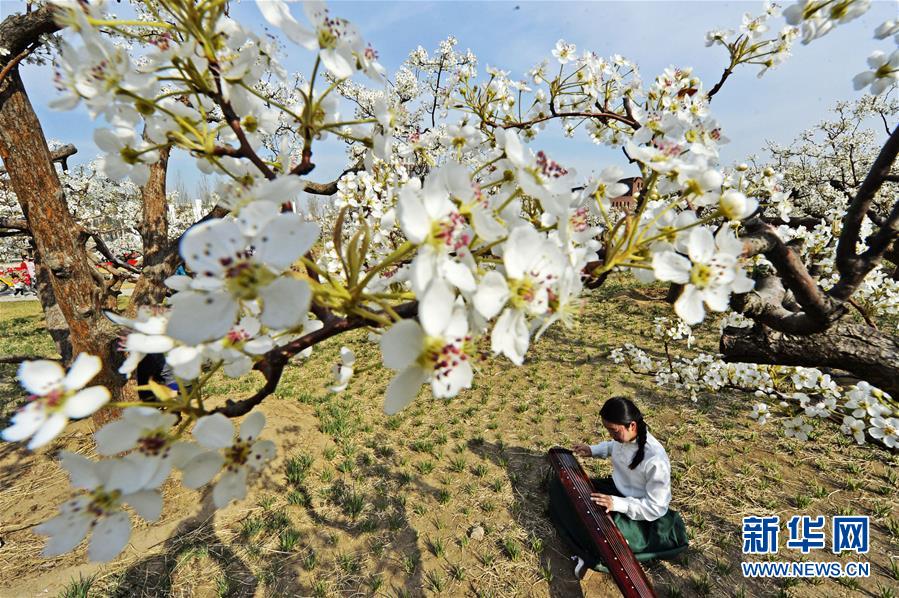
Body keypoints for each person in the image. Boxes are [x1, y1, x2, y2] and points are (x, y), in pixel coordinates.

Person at [548, 396, 689, 579]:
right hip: (614, 490)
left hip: (638, 512)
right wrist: (592, 450)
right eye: (608, 430)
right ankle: (585, 546)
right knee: (562, 486)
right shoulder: (623, 437)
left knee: (603, 537)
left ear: (632, 425)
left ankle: (588, 557)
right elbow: (612, 446)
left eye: (613, 430)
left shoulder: (656, 459)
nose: (611, 435)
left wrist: (617, 504)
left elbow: (657, 507)